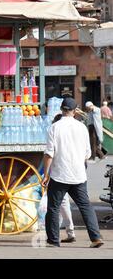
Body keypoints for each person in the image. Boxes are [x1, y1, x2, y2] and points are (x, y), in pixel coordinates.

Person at [41, 97, 103, 248]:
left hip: (59, 175)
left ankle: (54, 240)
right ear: (75, 111)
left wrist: (46, 174)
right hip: (78, 175)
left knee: (53, 207)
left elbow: (49, 153)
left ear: (62, 110)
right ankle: (96, 238)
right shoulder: (81, 127)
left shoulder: (54, 127)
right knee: (85, 206)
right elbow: (87, 153)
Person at [51, 113, 76, 243]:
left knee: (56, 204)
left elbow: (50, 154)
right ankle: (70, 231)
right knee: (80, 203)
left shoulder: (56, 132)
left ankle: (54, 237)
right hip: (76, 172)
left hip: (61, 174)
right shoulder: (76, 130)